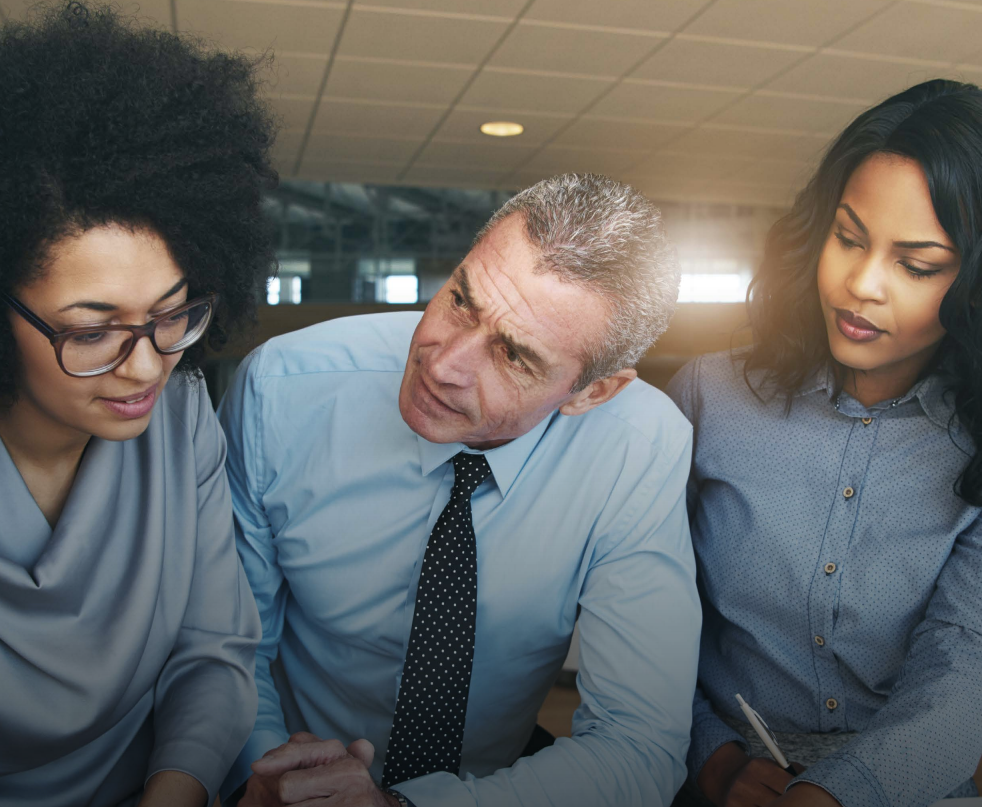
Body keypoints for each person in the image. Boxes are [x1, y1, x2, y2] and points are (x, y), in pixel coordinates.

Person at [218, 173, 702, 807]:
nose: (442, 365)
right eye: (461, 301)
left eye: (514, 356)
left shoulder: (637, 446)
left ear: (592, 392)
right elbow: (228, 651)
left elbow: (640, 745)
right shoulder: (282, 390)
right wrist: (276, 781)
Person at [667, 79, 982, 807]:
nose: (860, 284)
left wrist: (837, 794)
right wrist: (712, 760)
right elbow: (647, 630)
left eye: (917, 264)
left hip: (913, 785)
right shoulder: (708, 398)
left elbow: (961, 670)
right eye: (848, 236)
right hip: (721, 780)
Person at [0, 2, 277, 804]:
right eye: (93, 331)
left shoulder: (182, 422)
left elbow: (213, 650)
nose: (146, 365)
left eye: (171, 314)